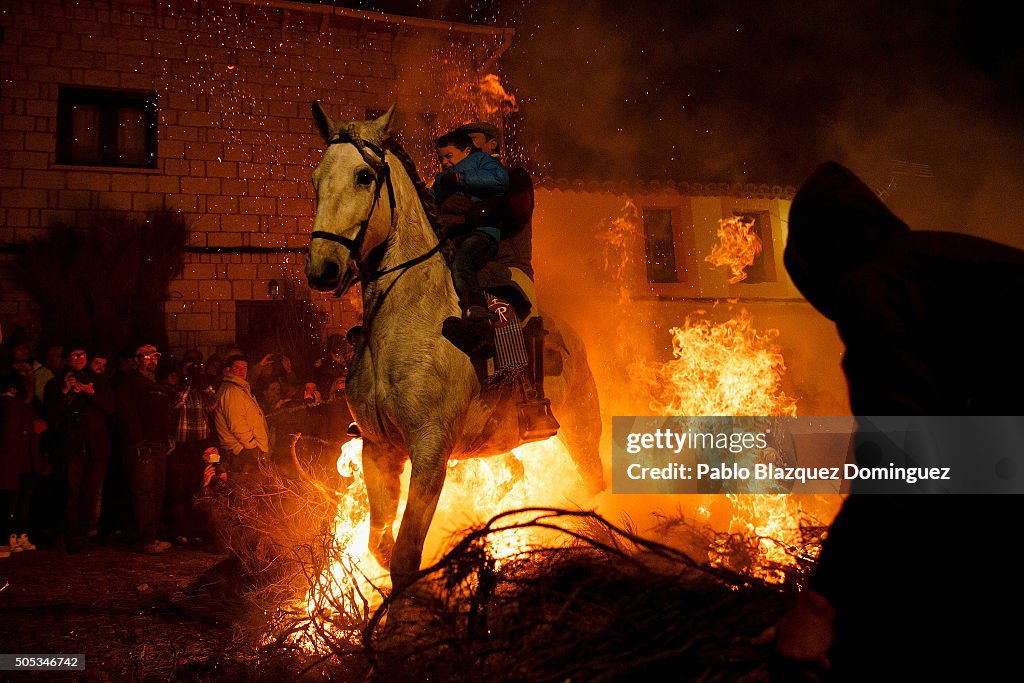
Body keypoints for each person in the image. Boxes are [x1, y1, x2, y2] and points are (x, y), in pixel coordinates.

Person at [770, 162, 1024, 679]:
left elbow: (902, 457)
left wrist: (819, 605)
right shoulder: (934, 265)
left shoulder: (872, 281)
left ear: (816, 259)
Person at [43, 342, 115, 553]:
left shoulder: (98, 381)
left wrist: (90, 392)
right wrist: (65, 391)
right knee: (71, 492)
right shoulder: (55, 383)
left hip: (95, 446)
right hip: (71, 446)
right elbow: (51, 415)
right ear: (66, 360)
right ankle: (69, 535)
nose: (78, 359)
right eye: (73, 356)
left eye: (82, 355)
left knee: (90, 492)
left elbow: (109, 408)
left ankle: (84, 533)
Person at [432, 130, 510, 321]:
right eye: (441, 159)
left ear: (467, 151)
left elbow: (500, 180)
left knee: (462, 262)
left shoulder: (482, 161)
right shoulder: (442, 178)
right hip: (453, 235)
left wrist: (460, 179)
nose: (444, 162)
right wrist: (441, 206)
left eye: (448, 156)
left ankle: (476, 305)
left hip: (481, 234)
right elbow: (429, 200)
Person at [116, 343, 176, 555]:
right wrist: (139, 442)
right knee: (144, 491)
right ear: (137, 359)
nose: (152, 359)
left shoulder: (156, 385)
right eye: (147, 356)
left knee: (157, 491)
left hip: (158, 444)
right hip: (143, 446)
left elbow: (161, 414)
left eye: (155, 356)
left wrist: (168, 435)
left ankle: (151, 535)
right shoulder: (129, 383)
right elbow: (127, 414)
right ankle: (144, 538)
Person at [213, 354, 270, 478]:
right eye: (237, 367)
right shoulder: (232, 391)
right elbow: (237, 424)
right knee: (246, 486)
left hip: (246, 450)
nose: (241, 371)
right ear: (228, 370)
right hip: (242, 451)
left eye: (244, 368)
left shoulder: (239, 388)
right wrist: (253, 447)